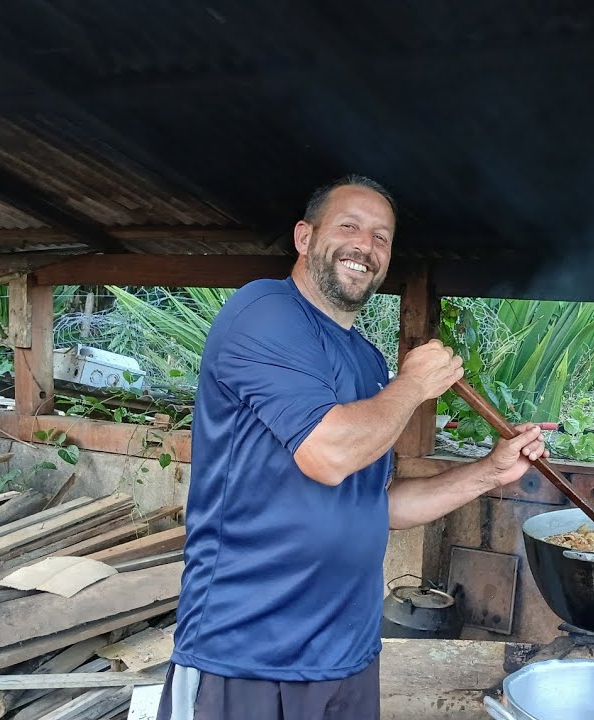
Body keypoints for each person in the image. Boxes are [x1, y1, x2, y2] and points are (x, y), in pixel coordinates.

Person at [157, 175, 549, 720]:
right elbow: (329, 456)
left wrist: (489, 471)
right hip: (246, 654)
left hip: (347, 658)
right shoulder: (263, 312)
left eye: (382, 237)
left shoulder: (367, 362)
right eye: (350, 226)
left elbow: (378, 505)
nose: (366, 246)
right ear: (303, 237)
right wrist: (413, 386)